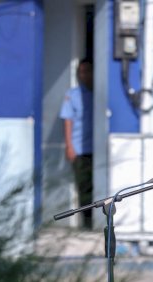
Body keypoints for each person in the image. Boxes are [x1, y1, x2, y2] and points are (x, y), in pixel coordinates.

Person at [60, 58, 94, 229]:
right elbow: (68, 121)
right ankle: (87, 224)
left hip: (98, 149)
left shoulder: (99, 92)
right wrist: (69, 146)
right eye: (81, 72)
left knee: (99, 186)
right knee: (84, 188)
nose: (84, 75)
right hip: (80, 149)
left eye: (88, 71)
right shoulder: (72, 95)